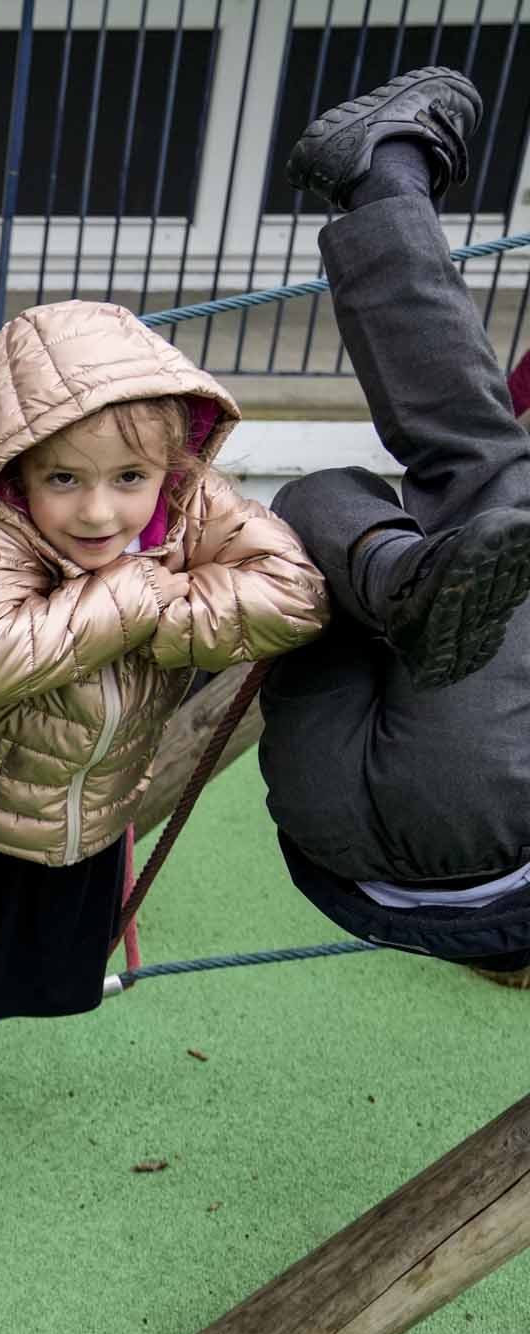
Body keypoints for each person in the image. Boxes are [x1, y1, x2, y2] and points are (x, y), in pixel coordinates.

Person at [0, 298, 329, 1147]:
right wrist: (135, 595)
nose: (99, 513)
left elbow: (295, 594)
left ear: (170, 465)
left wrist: (151, 615)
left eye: (130, 479)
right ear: (19, 468)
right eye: (65, 479)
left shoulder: (192, 502)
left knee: (4, 965)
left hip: (84, 815)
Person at [256, 67, 530, 974]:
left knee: (483, 466)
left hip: (476, 826)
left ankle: (384, 170)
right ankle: (395, 575)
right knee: (328, 498)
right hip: (331, 854)